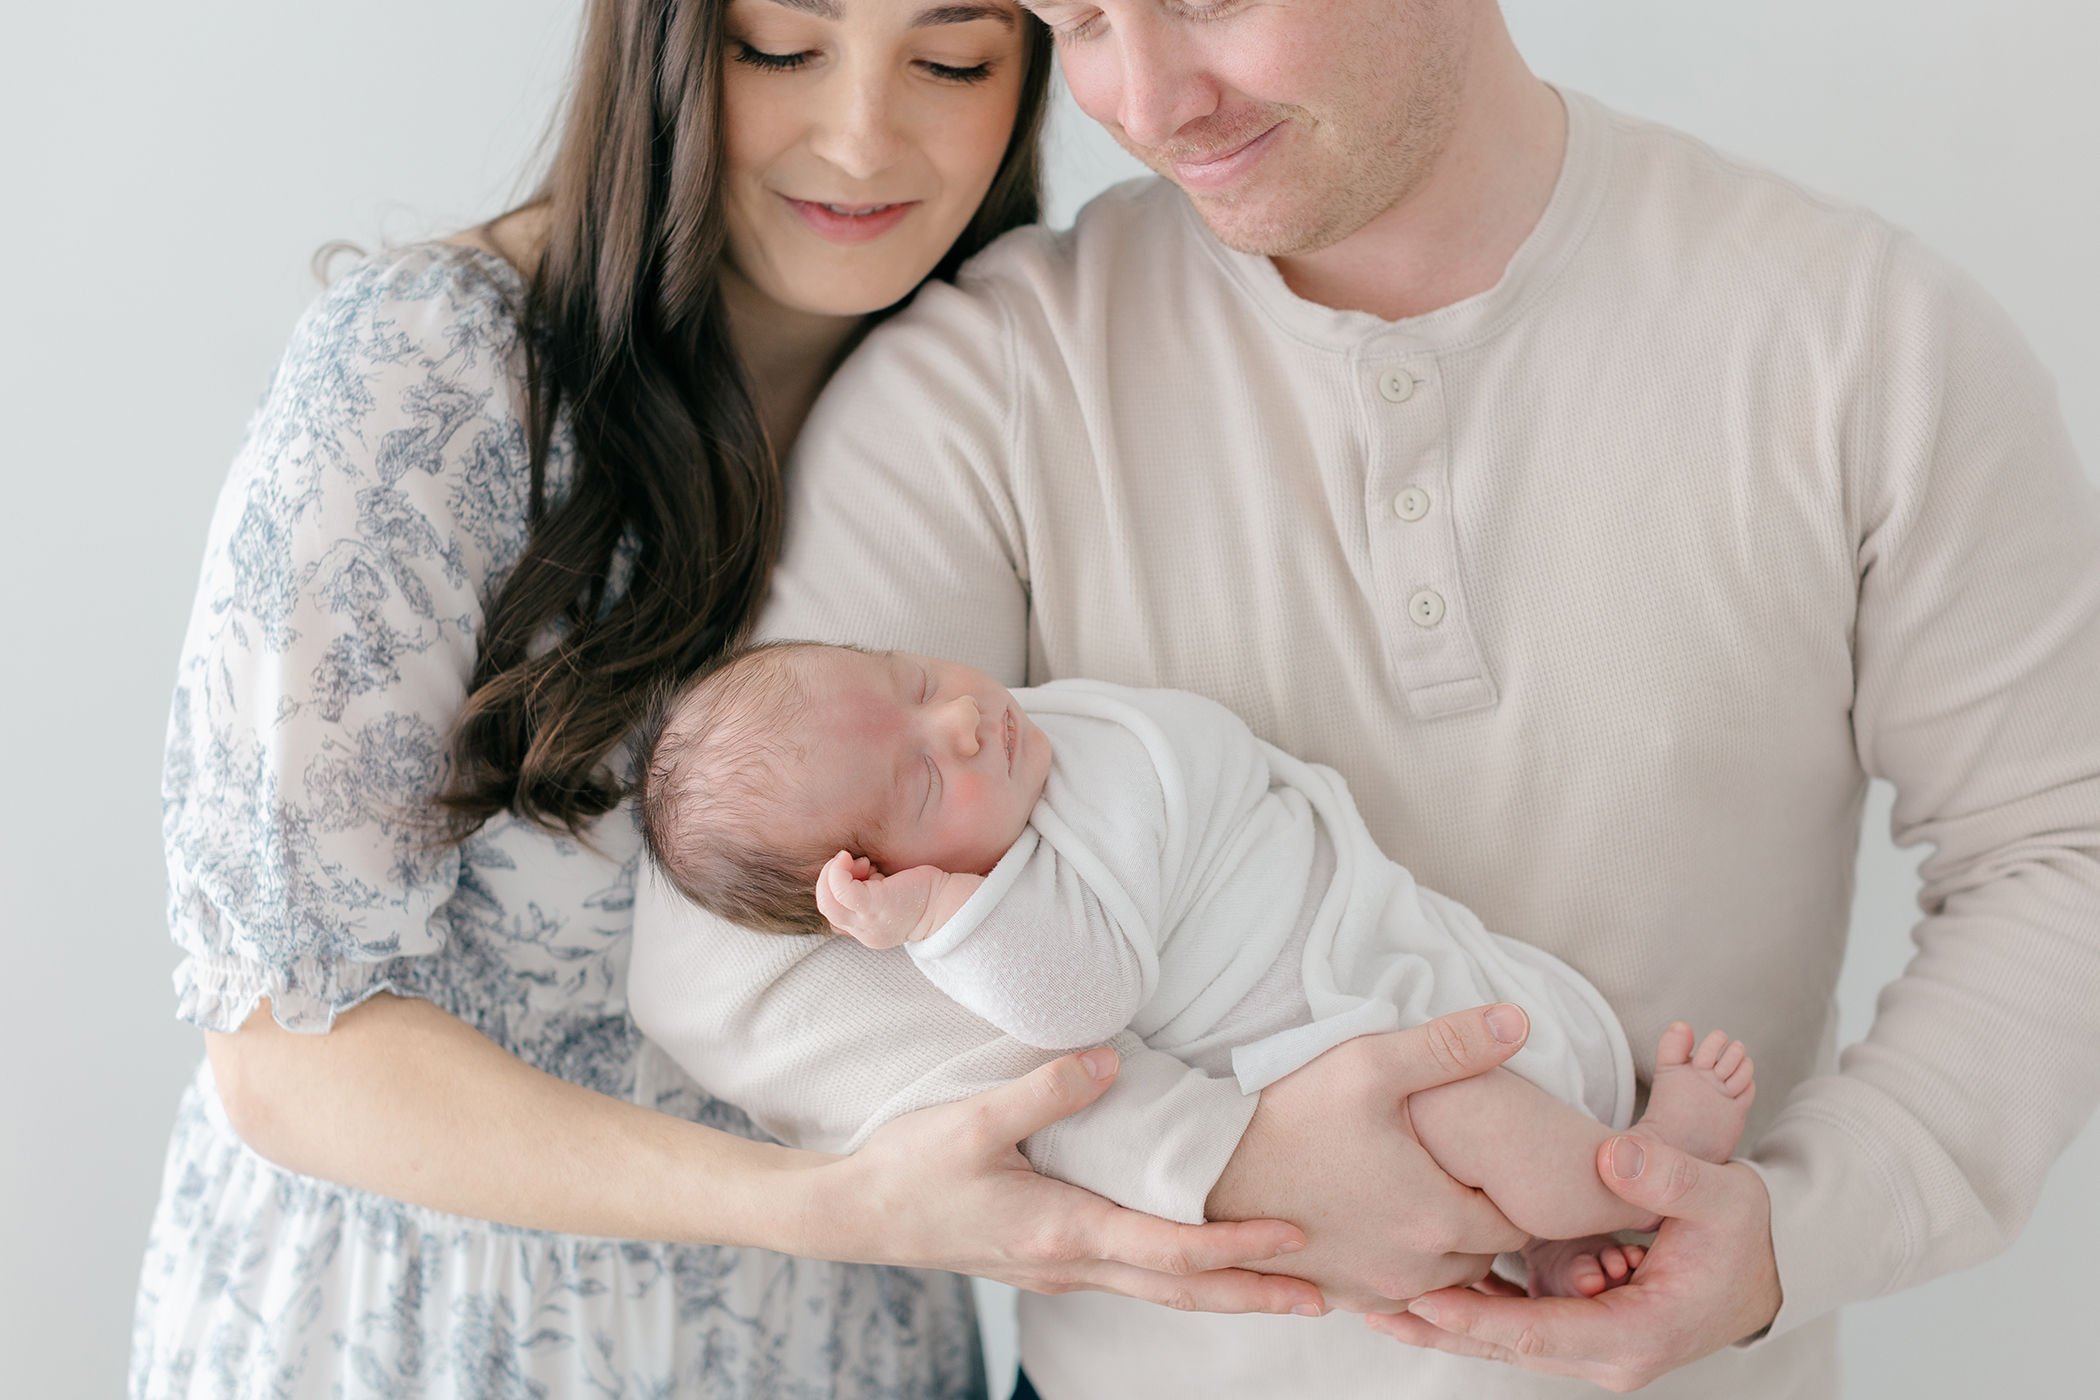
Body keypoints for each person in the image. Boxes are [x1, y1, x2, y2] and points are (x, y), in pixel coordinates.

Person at [626, 0, 2100, 1395]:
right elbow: (744, 968)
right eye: (1078, 22)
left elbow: (2060, 848)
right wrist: (1218, 1159)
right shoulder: (986, 382)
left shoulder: (1865, 341)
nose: (1146, 101)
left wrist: (1793, 1233)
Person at [125, 1, 1443, 1393]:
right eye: (779, 50)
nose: (864, 139)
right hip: (441, 1334)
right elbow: (285, 1054)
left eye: (951, 63)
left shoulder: (993, 389)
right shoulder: (432, 377)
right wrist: (823, 1206)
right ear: (665, 46)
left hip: (842, 1341)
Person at [639, 641, 1763, 1299]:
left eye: (915, 675)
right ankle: (1641, 1174)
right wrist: (942, 920)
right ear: (879, 877)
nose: (964, 719)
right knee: (1475, 1107)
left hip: (1379, 933)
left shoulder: (1041, 747)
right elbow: (1078, 1007)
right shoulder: (1015, 911)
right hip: (1327, 1030)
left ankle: (1563, 1231)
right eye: (924, 780)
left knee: (1516, 1012)